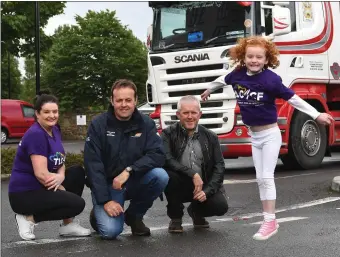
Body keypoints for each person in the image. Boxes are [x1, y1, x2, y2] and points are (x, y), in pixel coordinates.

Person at [201, 36, 334, 240]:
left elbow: (293, 98)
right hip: (254, 136)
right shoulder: (237, 75)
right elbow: (222, 79)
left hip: (270, 135)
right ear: (243, 57)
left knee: (266, 177)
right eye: (250, 56)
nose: (254, 60)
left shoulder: (270, 79)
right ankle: (269, 220)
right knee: (260, 179)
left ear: (266, 59)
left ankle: (269, 221)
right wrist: (209, 90)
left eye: (259, 57)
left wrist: (316, 115)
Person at [84, 79, 169, 240]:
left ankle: (134, 216)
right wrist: (105, 200)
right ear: (112, 101)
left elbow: (157, 154)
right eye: (119, 100)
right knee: (111, 231)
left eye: (128, 100)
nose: (124, 104)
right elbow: (92, 165)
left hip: (133, 180)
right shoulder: (98, 125)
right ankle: (98, 214)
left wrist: (130, 170)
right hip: (109, 186)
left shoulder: (147, 124)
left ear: (136, 100)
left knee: (160, 176)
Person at [8, 93, 91, 241]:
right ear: (37, 114)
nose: (51, 115)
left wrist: (61, 176)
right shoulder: (36, 134)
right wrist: (62, 189)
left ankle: (68, 225)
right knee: (77, 204)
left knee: (77, 172)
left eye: (55, 111)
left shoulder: (55, 130)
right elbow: (41, 174)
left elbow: (60, 160)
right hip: (24, 194)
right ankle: (29, 218)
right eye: (46, 112)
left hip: (42, 186)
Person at [161, 95, 229, 233]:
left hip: (203, 186)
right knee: (167, 175)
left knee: (221, 207)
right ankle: (176, 218)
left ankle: (196, 212)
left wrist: (207, 191)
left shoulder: (211, 136)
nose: (190, 116)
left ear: (200, 114)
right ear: (178, 114)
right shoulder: (168, 134)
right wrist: (192, 174)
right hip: (179, 183)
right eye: (185, 113)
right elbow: (167, 159)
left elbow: (219, 167)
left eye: (194, 112)